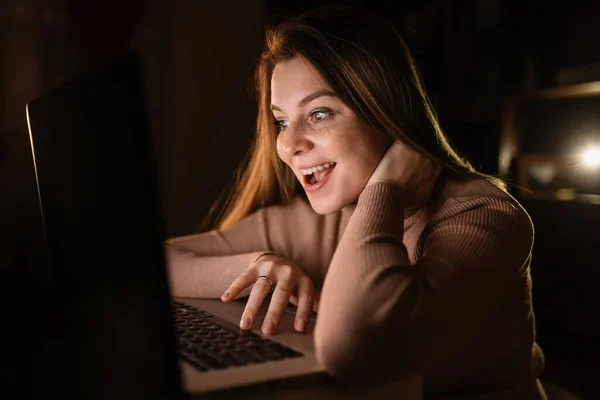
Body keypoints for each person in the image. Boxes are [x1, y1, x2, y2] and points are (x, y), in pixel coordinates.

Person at [165, 5, 547, 399]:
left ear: (385, 112)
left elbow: (352, 347)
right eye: (281, 121)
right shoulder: (318, 217)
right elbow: (155, 264)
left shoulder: (486, 217)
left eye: (319, 113)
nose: (288, 145)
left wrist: (385, 191)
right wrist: (254, 266)